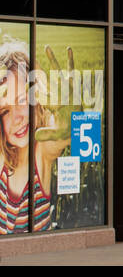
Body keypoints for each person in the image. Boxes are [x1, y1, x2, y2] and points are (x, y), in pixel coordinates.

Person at [0, 39, 73, 235]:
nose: (17, 117)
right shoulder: (2, 158)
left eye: (22, 101)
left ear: (38, 99)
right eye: (5, 110)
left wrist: (69, 124)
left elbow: (58, 137)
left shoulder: (41, 151)